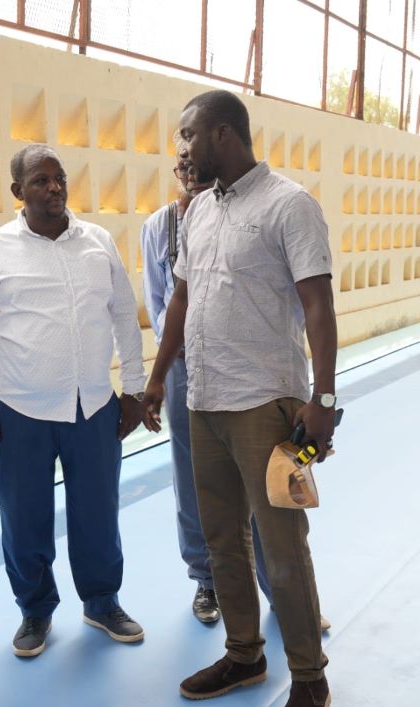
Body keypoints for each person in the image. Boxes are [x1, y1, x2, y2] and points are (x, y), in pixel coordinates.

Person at [143, 90, 337, 707]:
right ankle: (245, 653)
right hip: (205, 400)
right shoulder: (195, 212)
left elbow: (317, 305)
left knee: (282, 543)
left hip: (266, 403)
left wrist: (323, 398)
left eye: (187, 136)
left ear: (224, 134)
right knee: (223, 540)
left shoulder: (289, 205)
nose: (181, 149)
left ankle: (309, 677)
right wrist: (155, 380)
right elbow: (179, 301)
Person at [0, 144, 147, 659]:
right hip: (21, 412)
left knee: (98, 514)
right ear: (18, 192)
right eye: (40, 181)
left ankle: (102, 601)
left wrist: (134, 390)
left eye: (59, 178)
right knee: (24, 517)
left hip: (94, 407)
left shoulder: (98, 242)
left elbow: (125, 317)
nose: (54, 187)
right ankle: (35, 610)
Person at [140, 154, 274, 624]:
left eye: (201, 166)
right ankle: (206, 581)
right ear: (175, 172)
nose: (192, 175)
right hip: (181, 368)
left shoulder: (246, 215)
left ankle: (274, 582)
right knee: (192, 476)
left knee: (258, 474)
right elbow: (160, 299)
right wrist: (163, 367)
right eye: (184, 167)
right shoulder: (160, 227)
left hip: (239, 365)